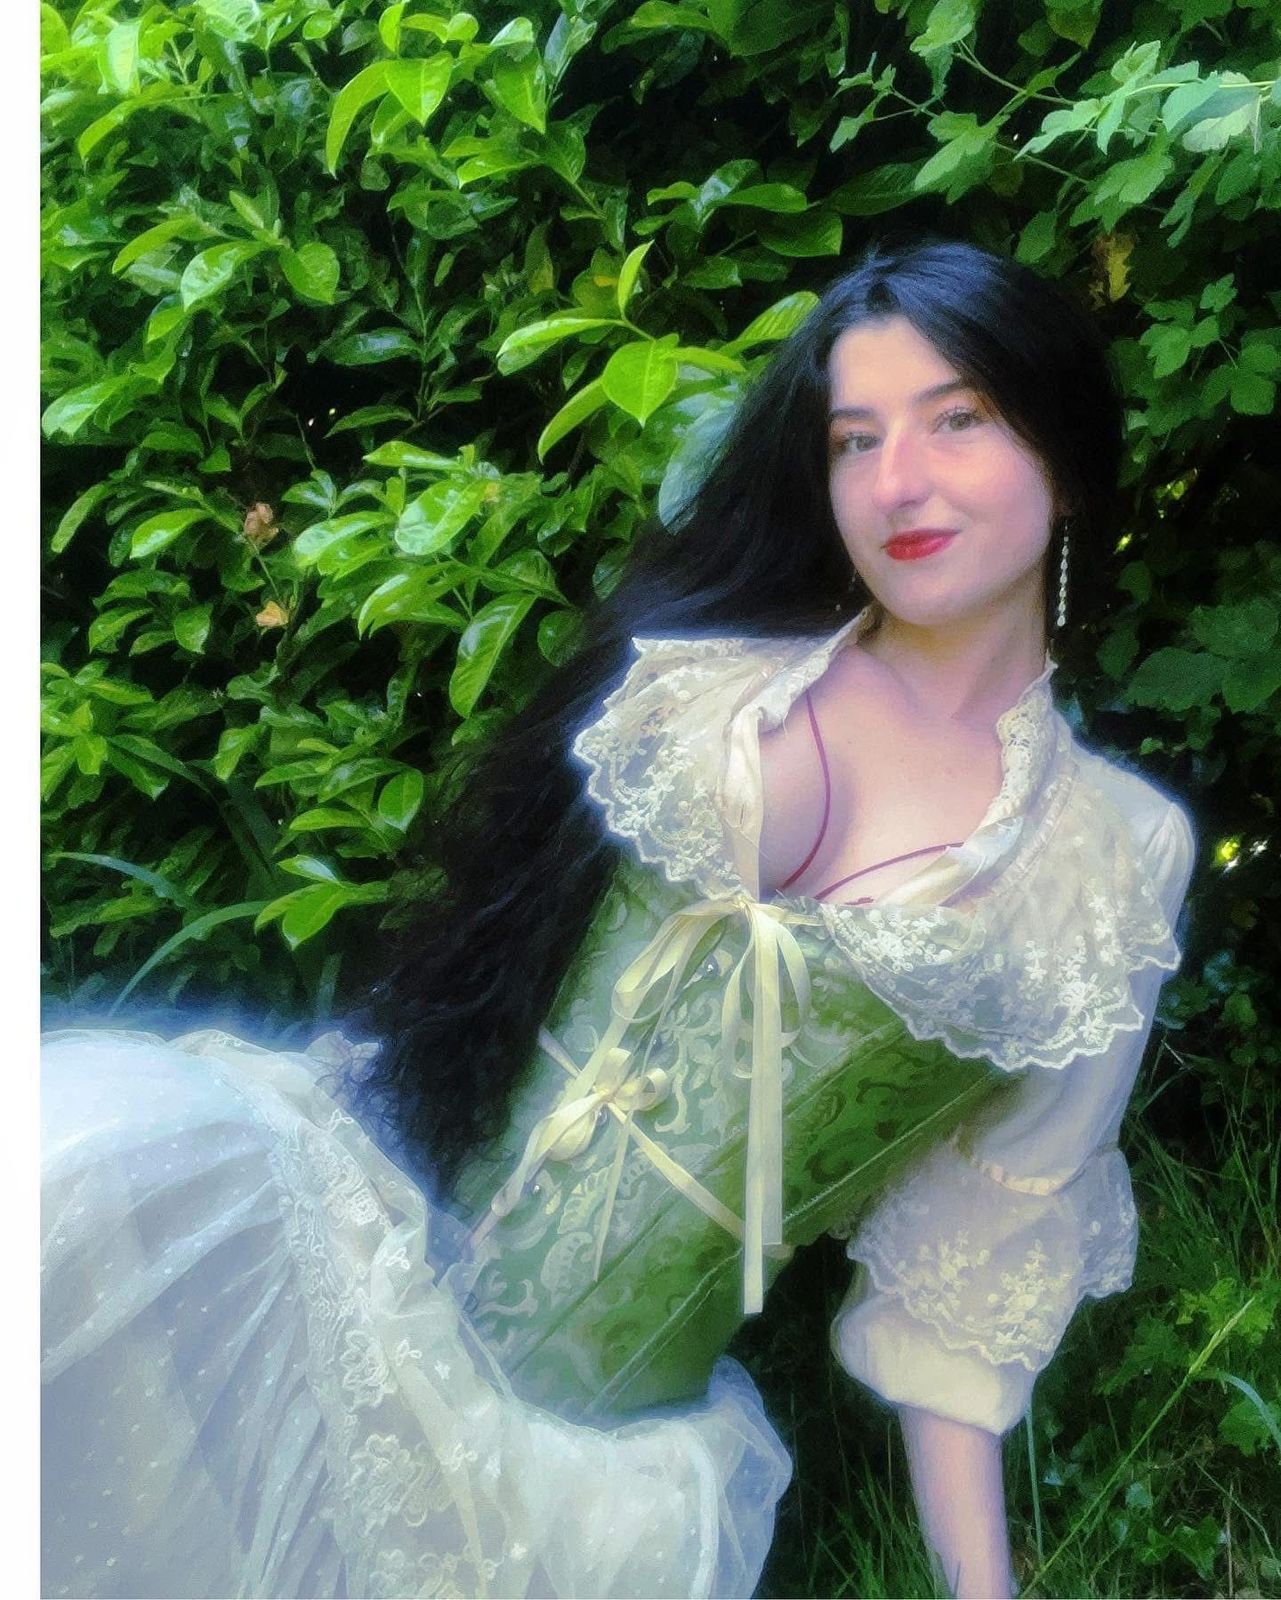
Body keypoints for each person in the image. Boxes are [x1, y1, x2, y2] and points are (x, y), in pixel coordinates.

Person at [41, 236, 1197, 1600]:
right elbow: (494, 968)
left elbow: (973, 1259)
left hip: (577, 1476)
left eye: (957, 420)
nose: (896, 483)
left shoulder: (1114, 858)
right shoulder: (706, 681)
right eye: (853, 439)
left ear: (1061, 451)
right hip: (356, 1255)